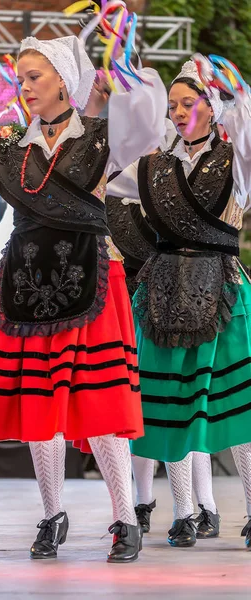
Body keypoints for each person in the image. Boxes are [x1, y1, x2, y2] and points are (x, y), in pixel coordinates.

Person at [0, 35, 167, 563]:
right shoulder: (9, 147)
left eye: (34, 77)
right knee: (41, 404)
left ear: (65, 81)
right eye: (20, 78)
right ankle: (51, 515)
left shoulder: (99, 140)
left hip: (89, 276)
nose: (24, 87)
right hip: (23, 283)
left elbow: (144, 131)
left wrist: (128, 68)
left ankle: (122, 517)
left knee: (100, 402)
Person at [107, 58, 251, 549]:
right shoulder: (155, 166)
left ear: (212, 107)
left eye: (190, 102)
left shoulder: (237, 159)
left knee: (236, 408)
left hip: (222, 289)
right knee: (170, 405)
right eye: (172, 105)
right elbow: (110, 186)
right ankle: (184, 513)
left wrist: (235, 99)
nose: (179, 111)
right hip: (164, 290)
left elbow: (246, 129)